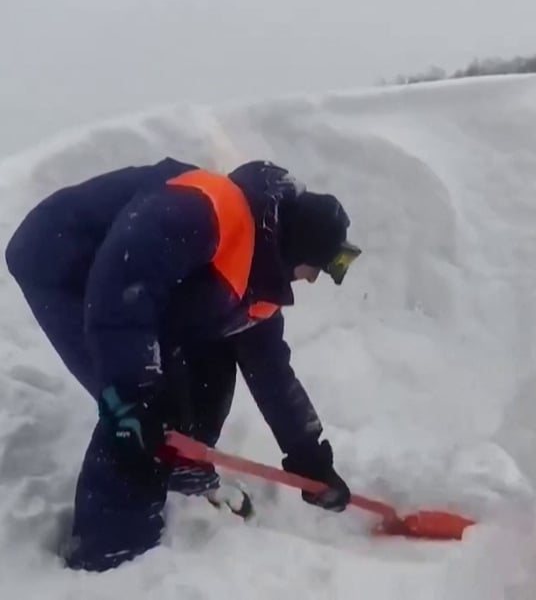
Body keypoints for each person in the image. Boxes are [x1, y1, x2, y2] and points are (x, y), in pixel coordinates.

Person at [4, 156, 360, 572]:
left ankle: (180, 464)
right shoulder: (206, 209)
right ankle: (110, 550)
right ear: (298, 248)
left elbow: (271, 371)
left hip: (134, 292)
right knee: (135, 417)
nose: (314, 279)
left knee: (210, 363)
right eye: (316, 268)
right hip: (64, 262)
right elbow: (124, 282)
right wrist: (135, 396)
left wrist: (308, 455)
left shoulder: (261, 273)